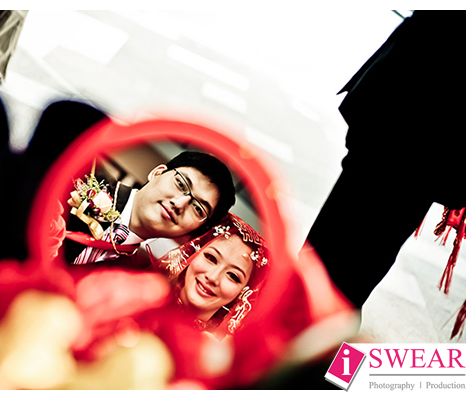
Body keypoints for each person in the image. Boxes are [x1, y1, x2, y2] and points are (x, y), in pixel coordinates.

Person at [304, 11, 466, 310]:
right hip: (413, 115)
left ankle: (306, 324)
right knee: (345, 261)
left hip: (418, 119)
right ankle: (307, 322)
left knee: (341, 262)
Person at [63, 151, 237, 266]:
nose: (179, 204)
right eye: (181, 184)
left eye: (198, 209)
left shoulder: (132, 276)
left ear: (195, 231)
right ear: (157, 173)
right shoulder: (80, 174)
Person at [151, 213, 268, 337]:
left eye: (233, 276)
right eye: (211, 258)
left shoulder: (218, 347)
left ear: (243, 293)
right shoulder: (145, 292)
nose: (213, 277)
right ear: (194, 252)